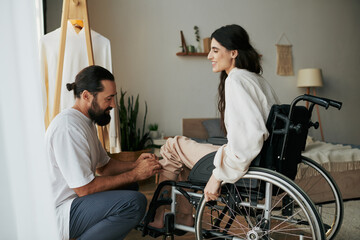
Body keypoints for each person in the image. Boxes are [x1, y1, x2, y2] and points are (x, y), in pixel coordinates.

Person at [149, 24, 280, 228]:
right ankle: (182, 216)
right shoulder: (255, 79)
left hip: (245, 162)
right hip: (259, 158)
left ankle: (157, 217)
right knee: (180, 155)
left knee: (173, 145)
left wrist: (218, 176)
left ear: (233, 53)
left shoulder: (236, 79)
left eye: (215, 50)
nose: (210, 56)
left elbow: (250, 136)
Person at [45, 65, 162, 240]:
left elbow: (105, 166)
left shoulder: (85, 122)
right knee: (134, 203)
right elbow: (85, 189)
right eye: (109, 98)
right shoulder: (68, 127)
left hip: (75, 203)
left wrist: (135, 165)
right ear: (86, 96)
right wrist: (136, 174)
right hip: (61, 213)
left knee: (129, 187)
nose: (113, 104)